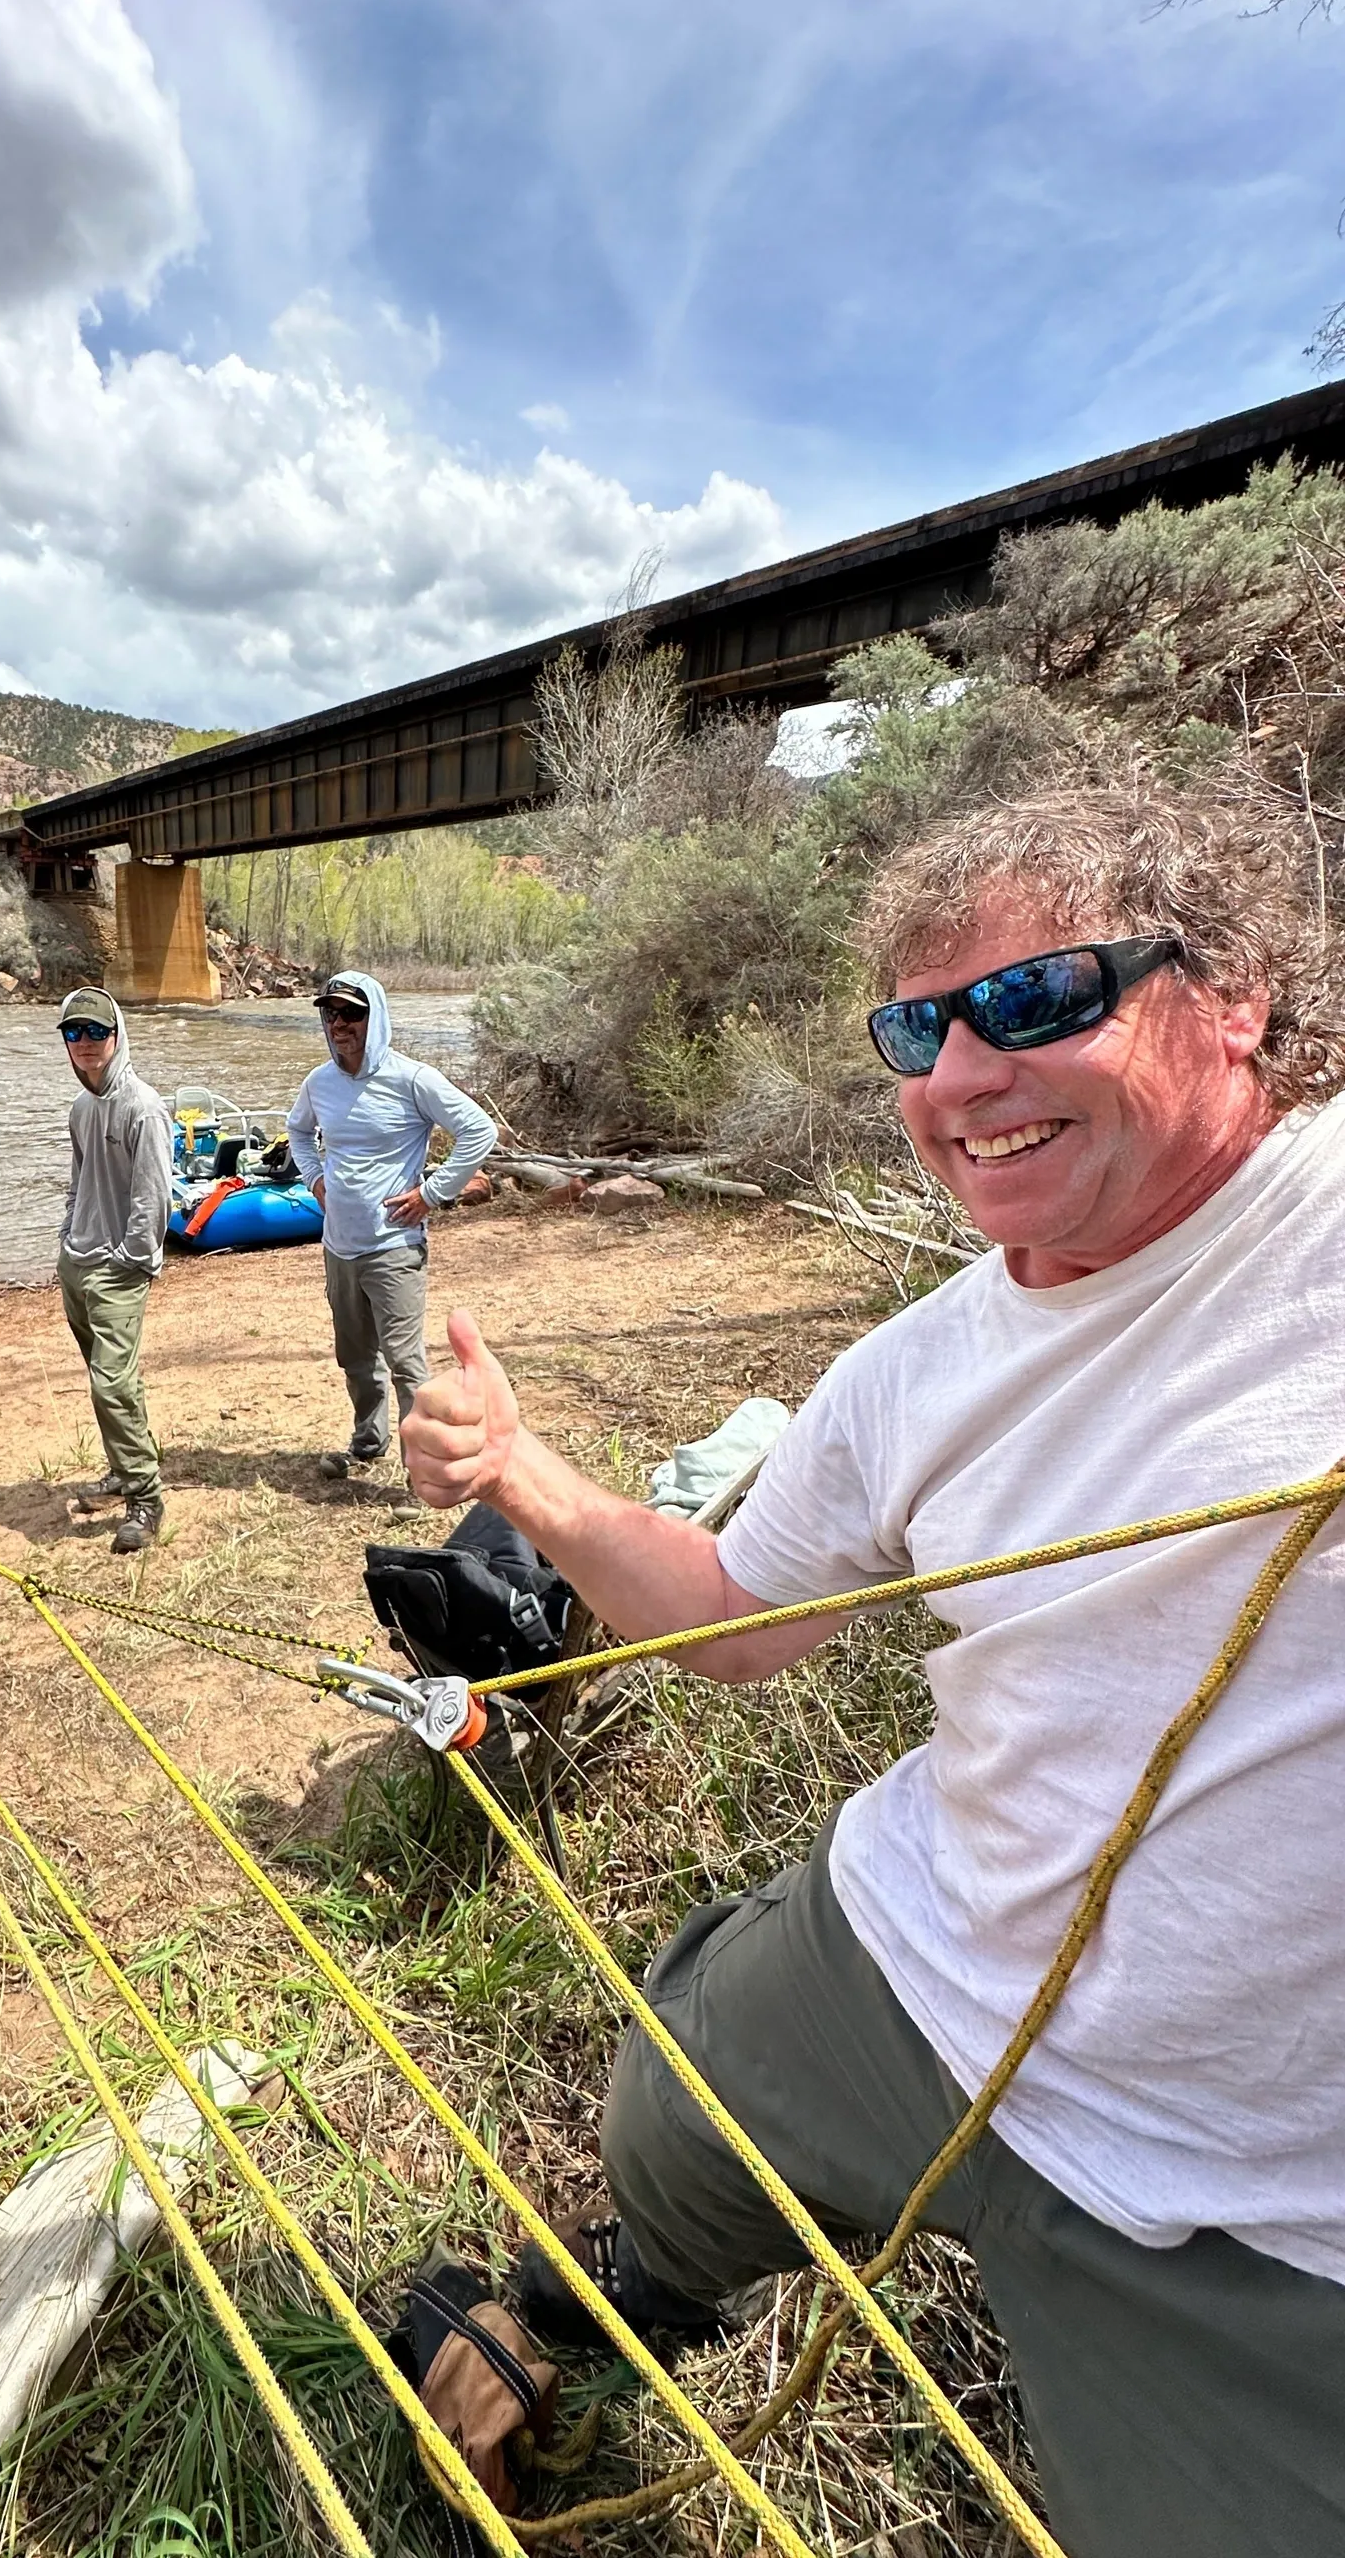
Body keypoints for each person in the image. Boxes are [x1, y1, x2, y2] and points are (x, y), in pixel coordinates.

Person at [402, 789, 1345, 2558]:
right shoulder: (914, 1371)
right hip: (919, 1956)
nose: (966, 1071)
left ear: (1236, 998)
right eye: (920, 1028)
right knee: (666, 2116)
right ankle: (628, 2295)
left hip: (1265, 2198)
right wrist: (520, 1471)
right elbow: (739, 1612)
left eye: (1044, 996)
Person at [286, 971, 495, 1481]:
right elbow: (296, 1129)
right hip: (339, 1245)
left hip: (394, 1246)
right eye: (331, 1013)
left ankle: (421, 1467)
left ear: (374, 1017)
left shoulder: (412, 1079)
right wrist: (314, 1178)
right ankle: (368, 1437)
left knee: (405, 1361)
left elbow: (478, 1130)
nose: (340, 1024)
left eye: (352, 1013)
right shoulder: (320, 1083)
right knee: (354, 1355)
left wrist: (432, 1193)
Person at [55, 987, 173, 1555]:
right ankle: (124, 1468)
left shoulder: (143, 1107)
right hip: (76, 1264)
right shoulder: (82, 1108)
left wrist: (133, 1257)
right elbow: (78, 1181)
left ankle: (146, 1498)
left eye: (96, 1032)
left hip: (118, 1270)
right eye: (74, 1033)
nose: (86, 1044)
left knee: (112, 1383)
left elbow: (154, 1196)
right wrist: (67, 1237)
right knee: (110, 1383)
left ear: (117, 1034)